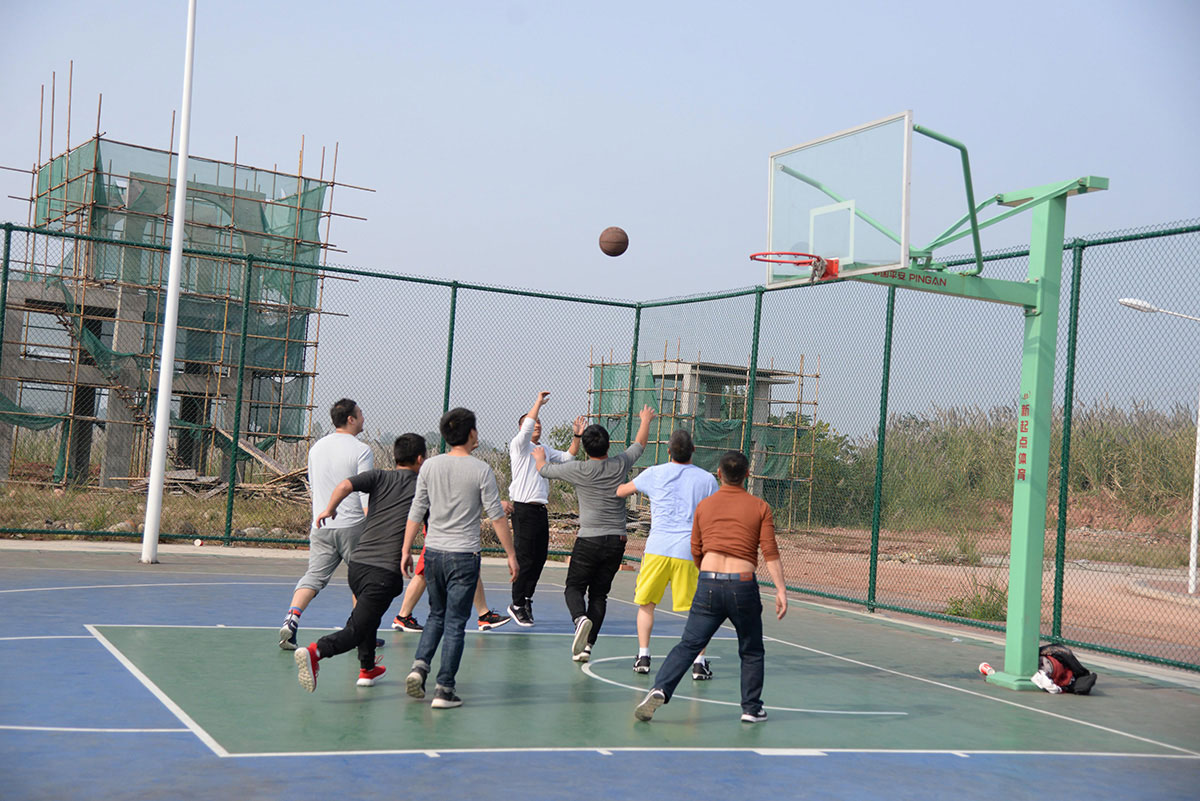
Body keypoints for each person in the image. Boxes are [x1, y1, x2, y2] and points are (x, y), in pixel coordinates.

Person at [634, 450, 787, 724]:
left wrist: (706, 574)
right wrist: (780, 590)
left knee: (689, 644)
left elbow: (696, 548)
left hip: (709, 583)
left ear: (719, 474)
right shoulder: (760, 507)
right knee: (751, 649)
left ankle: (661, 688)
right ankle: (751, 709)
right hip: (742, 585)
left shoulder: (705, 506)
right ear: (747, 475)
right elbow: (770, 551)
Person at [402, 407, 518, 709]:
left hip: (433, 554)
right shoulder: (481, 470)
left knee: (436, 616)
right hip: (464, 556)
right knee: (455, 623)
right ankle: (444, 690)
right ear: (471, 433)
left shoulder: (429, 466)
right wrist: (511, 554)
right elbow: (497, 516)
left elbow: (417, 510)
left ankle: (419, 667)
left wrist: (405, 549)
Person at [293, 434, 426, 692]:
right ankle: (316, 651)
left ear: (396, 457)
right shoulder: (422, 487)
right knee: (356, 629)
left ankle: (367, 669)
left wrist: (330, 508)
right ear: (420, 459)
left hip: (358, 565)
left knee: (368, 618)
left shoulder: (379, 476)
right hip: (383, 572)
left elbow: (344, 485)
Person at [536, 405, 654, 663]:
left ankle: (580, 619)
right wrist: (645, 419)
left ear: (586, 449)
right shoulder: (620, 464)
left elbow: (544, 470)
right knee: (599, 595)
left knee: (573, 588)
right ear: (608, 446)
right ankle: (587, 646)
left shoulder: (578, 469)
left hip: (589, 539)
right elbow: (640, 445)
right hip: (617, 541)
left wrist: (539, 456)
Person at [615, 429, 718, 678]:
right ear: (693, 450)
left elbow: (621, 491)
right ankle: (699, 662)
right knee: (698, 610)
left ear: (668, 451)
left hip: (657, 549)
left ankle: (643, 656)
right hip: (689, 551)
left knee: (646, 604)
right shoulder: (707, 480)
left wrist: (603, 475)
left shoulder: (654, 473)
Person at [279, 398, 373, 650]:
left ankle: (291, 619)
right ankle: (361, 634)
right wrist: (372, 524)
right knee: (363, 580)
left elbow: (314, 483)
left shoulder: (316, 448)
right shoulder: (361, 450)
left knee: (313, 577)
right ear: (351, 419)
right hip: (353, 525)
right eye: (360, 414)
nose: (363, 418)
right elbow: (364, 492)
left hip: (321, 525)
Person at [505, 390, 585, 627]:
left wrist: (577, 436)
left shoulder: (545, 450)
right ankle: (516, 603)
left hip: (540, 510)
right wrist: (538, 403)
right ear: (522, 428)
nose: (537, 425)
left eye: (540, 422)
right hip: (523, 509)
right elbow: (527, 426)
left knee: (539, 558)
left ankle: (526, 599)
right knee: (525, 558)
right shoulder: (519, 446)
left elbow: (569, 458)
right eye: (534, 422)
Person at [390, 548, 510, 632]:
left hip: (452, 534)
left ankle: (484, 615)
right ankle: (403, 617)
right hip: (441, 535)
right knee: (424, 573)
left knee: (470, 570)